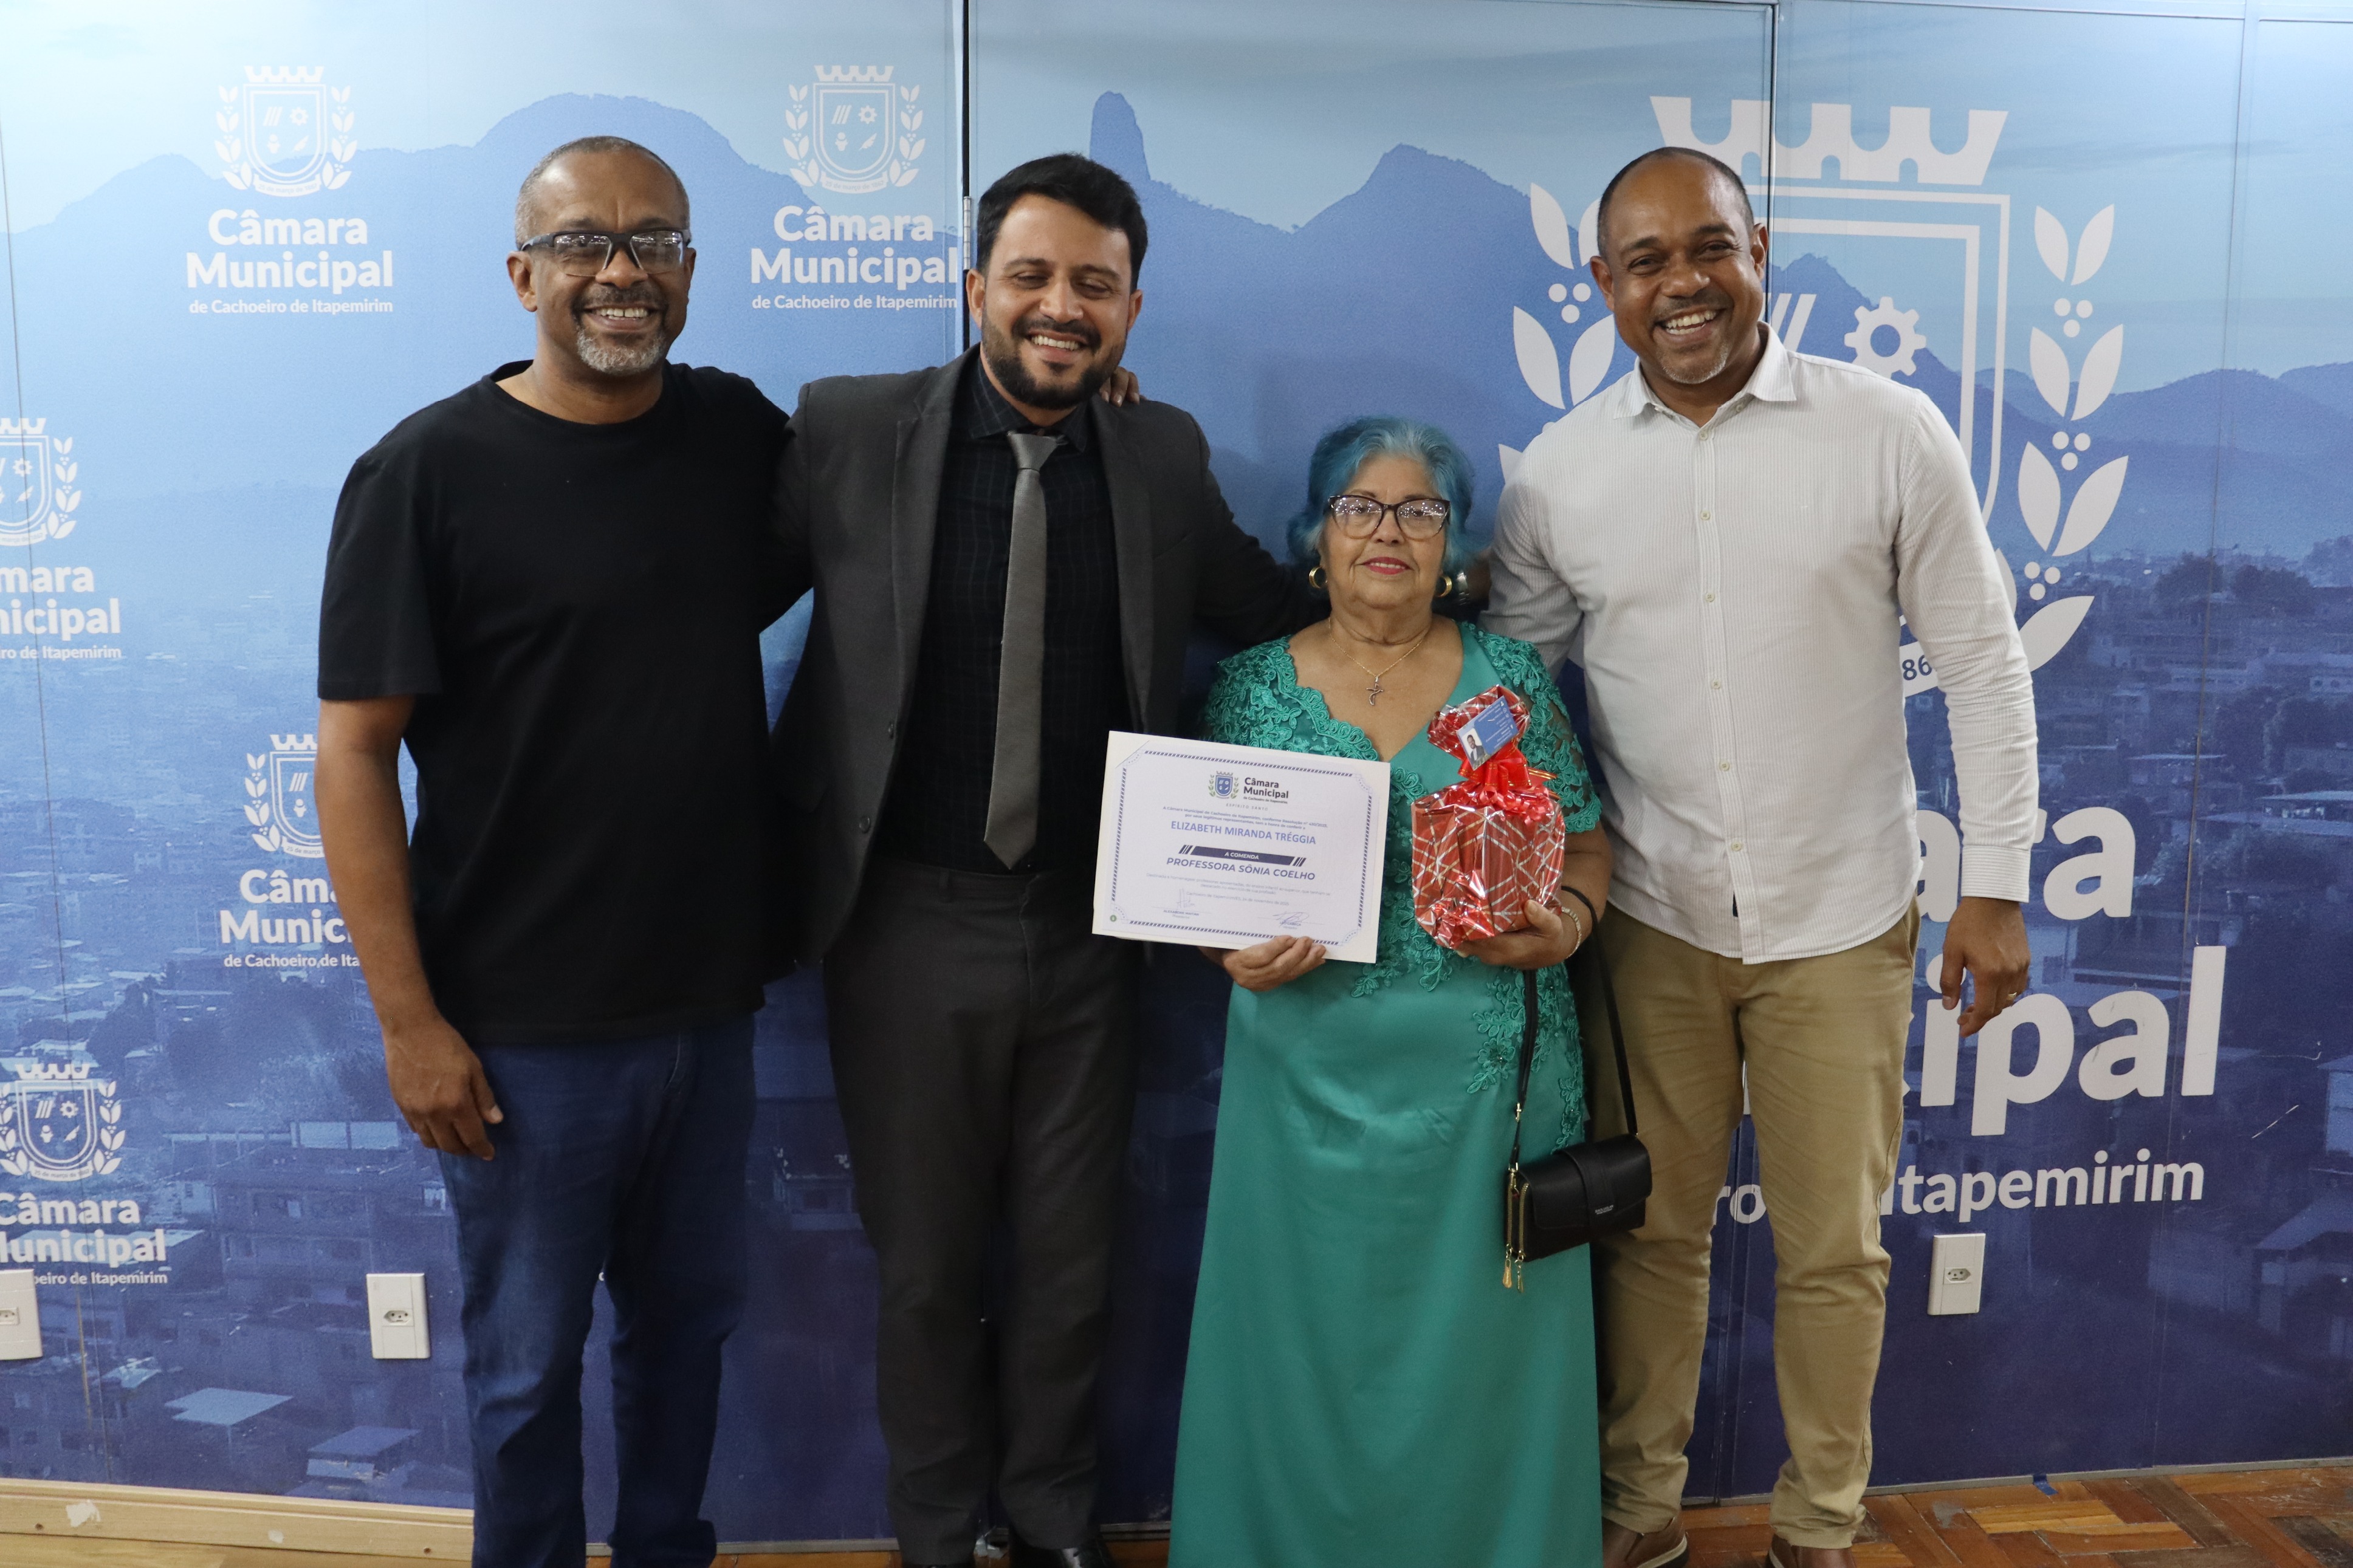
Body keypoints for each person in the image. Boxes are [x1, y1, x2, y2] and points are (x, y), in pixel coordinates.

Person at [767, 154, 1321, 1568]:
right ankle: (936, 1534)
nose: (1059, 306)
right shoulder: (846, 429)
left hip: (1094, 923)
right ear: (976, 290)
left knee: (1074, 1263)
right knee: (926, 1268)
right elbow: (701, 600)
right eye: (1030, 276)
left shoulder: (1160, 454)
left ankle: (1055, 1522)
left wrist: (1439, 600)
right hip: (902, 921)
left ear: (1131, 307)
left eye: (1094, 284)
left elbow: (1270, 618)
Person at [1488, 147, 2038, 1568]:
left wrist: (1993, 884)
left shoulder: (1888, 431)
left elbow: (1982, 660)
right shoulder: (1558, 475)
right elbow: (1512, 702)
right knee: (1649, 1237)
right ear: (1603, 285)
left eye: (1708, 249)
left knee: (1835, 1251)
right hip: (1652, 917)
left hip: (1842, 917)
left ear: (1758, 250)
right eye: (1646, 261)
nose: (1683, 283)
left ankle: (1819, 1527)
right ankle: (1638, 1515)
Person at [314, 137, 789, 1568]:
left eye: (656, 241)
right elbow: (353, 754)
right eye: (585, 242)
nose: (622, 271)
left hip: (706, 1009)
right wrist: (409, 1024)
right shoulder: (423, 473)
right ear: (524, 274)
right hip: (518, 1037)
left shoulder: (737, 435)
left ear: (690, 270)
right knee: (524, 1376)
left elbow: (906, 474)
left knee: (686, 1340)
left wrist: (1088, 398)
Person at [1168, 416, 1612, 1568]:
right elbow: (1206, 877)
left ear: (1451, 543)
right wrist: (1224, 947)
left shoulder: (1511, 682)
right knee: (1299, 1341)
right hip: (1300, 1081)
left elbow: (1586, 846)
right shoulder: (1251, 687)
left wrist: (1566, 922)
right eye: (1359, 506)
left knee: (1485, 1350)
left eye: (1420, 510)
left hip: (1489, 1085)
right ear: (1316, 535)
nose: (1389, 532)